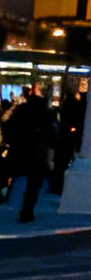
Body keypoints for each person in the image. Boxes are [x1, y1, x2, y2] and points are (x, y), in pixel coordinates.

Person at [3, 86, 58, 224]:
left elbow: (8, 127)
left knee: (12, 174)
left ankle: (8, 199)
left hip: (20, 150)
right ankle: (27, 210)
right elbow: (53, 134)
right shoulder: (47, 113)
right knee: (34, 183)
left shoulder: (20, 110)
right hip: (39, 152)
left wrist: (12, 141)